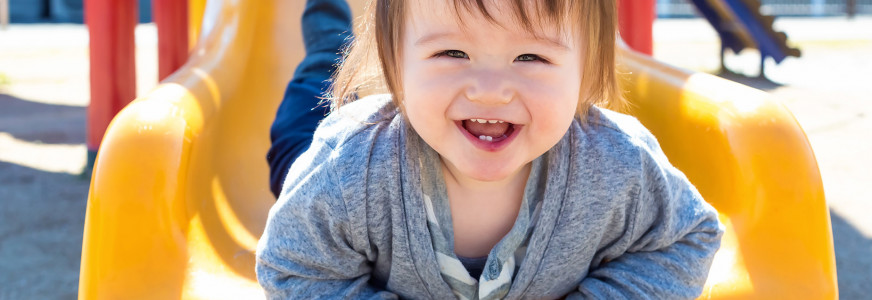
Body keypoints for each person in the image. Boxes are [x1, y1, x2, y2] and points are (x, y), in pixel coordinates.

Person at [258, 0, 724, 299]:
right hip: (316, 150)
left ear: (587, 72)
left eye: (531, 57)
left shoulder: (616, 166)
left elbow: (687, 238)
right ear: (393, 64)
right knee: (320, 72)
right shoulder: (344, 170)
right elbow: (294, 268)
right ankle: (325, 19)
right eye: (452, 54)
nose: (490, 91)